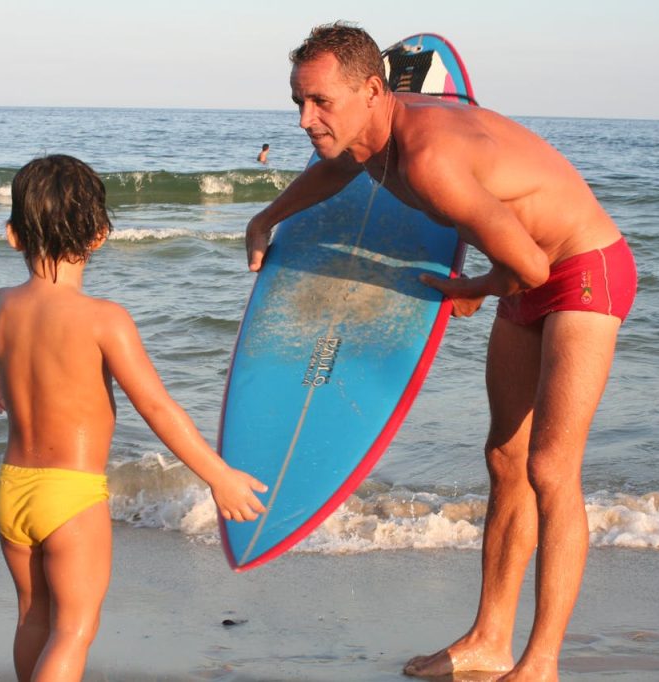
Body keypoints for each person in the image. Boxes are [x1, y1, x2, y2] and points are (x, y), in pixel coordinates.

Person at [245, 23, 636, 681]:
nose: (307, 119)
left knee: (549, 468)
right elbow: (337, 170)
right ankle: (489, 637)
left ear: (372, 90)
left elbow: (533, 268)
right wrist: (268, 218)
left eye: (321, 103)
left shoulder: (429, 158)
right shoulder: (372, 137)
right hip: (526, 267)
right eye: (298, 103)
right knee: (505, 456)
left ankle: (541, 662)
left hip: (581, 269)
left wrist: (473, 288)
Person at [0, 154, 268, 682]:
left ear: (13, 236)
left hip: (12, 489)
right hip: (71, 495)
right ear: (100, 235)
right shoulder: (104, 320)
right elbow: (158, 407)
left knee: (32, 617)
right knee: (73, 630)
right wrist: (219, 476)